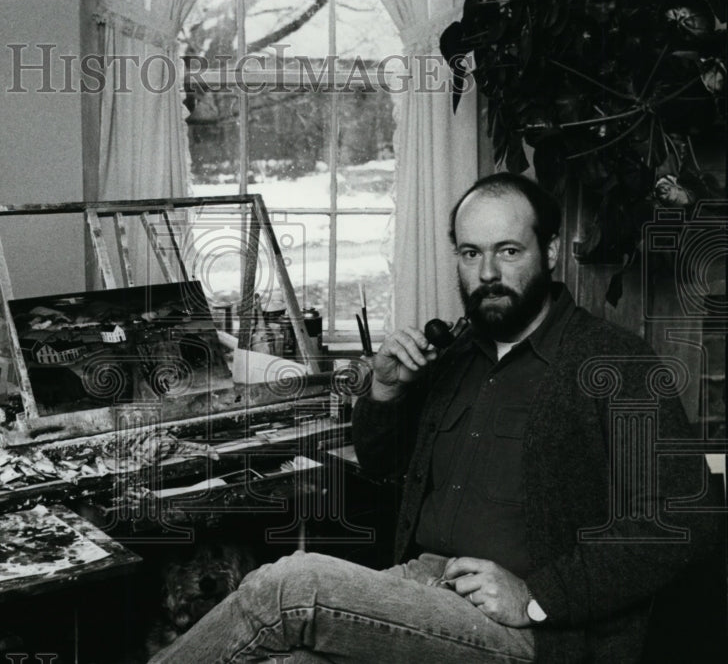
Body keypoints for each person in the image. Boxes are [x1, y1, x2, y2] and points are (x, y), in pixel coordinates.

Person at [148, 173, 721, 663]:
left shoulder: (613, 362)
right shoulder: (454, 356)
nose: (487, 272)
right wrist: (387, 392)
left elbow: (686, 518)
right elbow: (380, 463)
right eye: (471, 254)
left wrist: (538, 595)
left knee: (286, 585)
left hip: (527, 626)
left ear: (548, 253)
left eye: (509, 251)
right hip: (421, 585)